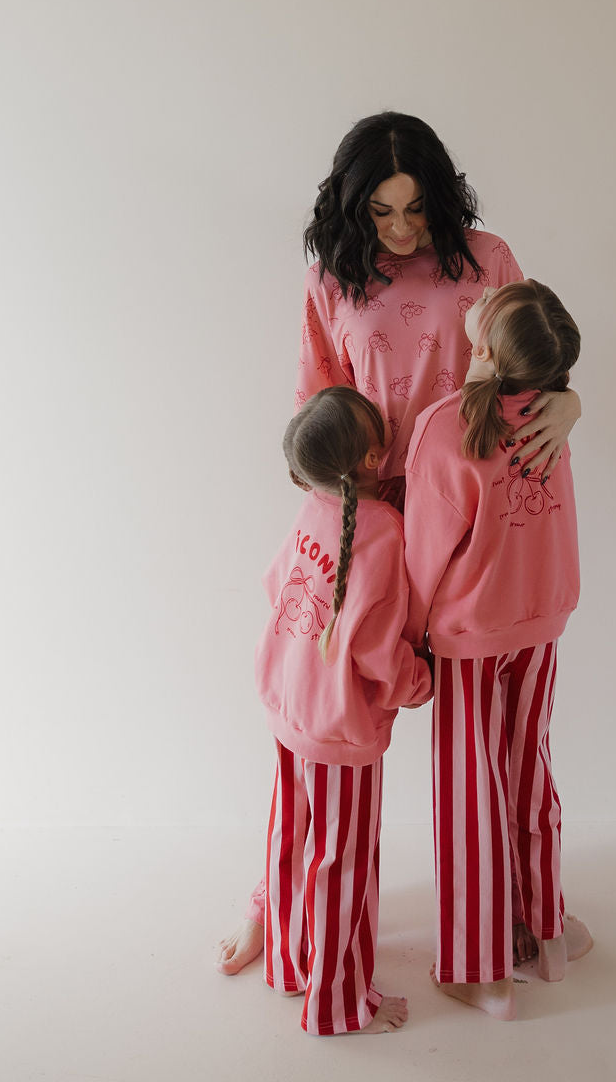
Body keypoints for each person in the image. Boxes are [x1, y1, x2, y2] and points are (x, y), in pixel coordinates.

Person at [217, 112, 583, 974]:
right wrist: (353, 548)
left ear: (442, 197)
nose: (401, 230)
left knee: (505, 752)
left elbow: (531, 361)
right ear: (351, 211)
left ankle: (528, 918)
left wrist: (570, 402)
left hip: (473, 559)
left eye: (416, 208)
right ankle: (277, 906)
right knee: (315, 734)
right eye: (380, 212)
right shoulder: (329, 283)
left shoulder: (487, 260)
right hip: (370, 547)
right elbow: (318, 427)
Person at [402, 280, 584, 1020]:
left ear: (480, 349)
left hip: (470, 638)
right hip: (541, 623)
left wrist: (413, 635)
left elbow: (423, 552)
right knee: (527, 772)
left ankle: (481, 971)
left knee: (469, 795)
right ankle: (545, 935)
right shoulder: (552, 416)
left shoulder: (444, 424)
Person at [254, 386, 432, 1035]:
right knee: (342, 861)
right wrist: (421, 682)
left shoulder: (312, 507)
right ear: (373, 457)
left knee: (289, 837)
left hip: (287, 702)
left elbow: (278, 583)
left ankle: (286, 961)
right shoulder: (384, 533)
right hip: (338, 727)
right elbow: (380, 651)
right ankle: (339, 1003)